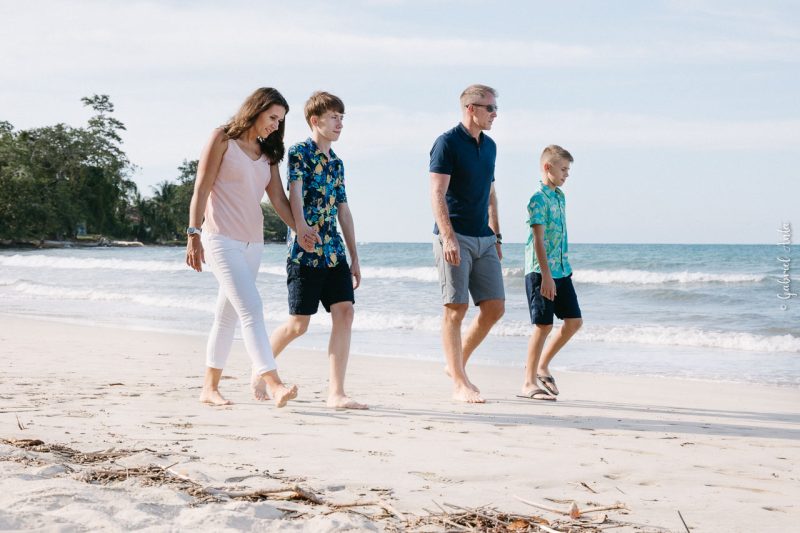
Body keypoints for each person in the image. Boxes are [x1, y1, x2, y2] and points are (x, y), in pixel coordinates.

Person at [186, 87, 310, 408]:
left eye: (280, 121)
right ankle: (273, 382)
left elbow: (279, 200)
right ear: (255, 110)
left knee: (226, 316)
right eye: (272, 117)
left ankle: (209, 389)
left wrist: (301, 230)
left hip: (253, 244)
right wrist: (193, 233)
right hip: (220, 239)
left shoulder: (268, 155)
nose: (275, 125)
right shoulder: (222, 139)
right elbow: (201, 187)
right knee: (252, 309)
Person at [253, 91, 367, 410]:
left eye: (342, 118)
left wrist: (355, 256)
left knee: (345, 313)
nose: (340, 123)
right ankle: (261, 367)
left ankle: (337, 393)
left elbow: (343, 210)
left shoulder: (338, 163)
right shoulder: (300, 152)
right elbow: (295, 193)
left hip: (334, 251)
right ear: (315, 121)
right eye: (334, 117)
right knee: (298, 324)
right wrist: (300, 227)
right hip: (304, 251)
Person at [429, 84, 505, 404]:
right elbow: (437, 193)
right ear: (471, 109)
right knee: (455, 309)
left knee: (494, 308)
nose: (495, 114)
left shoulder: (490, 147)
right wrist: (448, 238)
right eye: (490, 108)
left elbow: (490, 194)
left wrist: (497, 235)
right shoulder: (446, 143)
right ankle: (460, 382)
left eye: (495, 108)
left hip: (484, 238)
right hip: (455, 235)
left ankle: (454, 364)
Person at [521, 145, 583, 401]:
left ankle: (542, 366)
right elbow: (538, 240)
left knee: (574, 322)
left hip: (561, 270)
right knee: (544, 325)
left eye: (568, 170)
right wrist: (545, 275)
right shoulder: (538, 199)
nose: (567, 174)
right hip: (540, 271)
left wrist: (559, 272)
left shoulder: (560, 196)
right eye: (563, 169)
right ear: (548, 168)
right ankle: (527, 382)